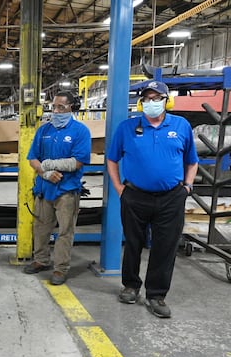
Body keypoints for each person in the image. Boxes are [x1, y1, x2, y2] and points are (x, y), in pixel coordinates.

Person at [107, 80, 198, 318]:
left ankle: (156, 295)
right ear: (141, 102)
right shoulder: (127, 128)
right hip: (134, 196)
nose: (152, 103)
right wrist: (119, 188)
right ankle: (131, 286)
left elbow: (192, 160)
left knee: (165, 247)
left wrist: (187, 187)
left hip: (171, 198)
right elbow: (112, 159)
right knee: (133, 243)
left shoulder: (181, 126)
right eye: (147, 99)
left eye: (157, 98)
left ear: (166, 101)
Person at [23, 91, 91, 285]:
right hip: (44, 189)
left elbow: (77, 162)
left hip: (66, 190)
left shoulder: (80, 131)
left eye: (61, 107)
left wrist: (49, 164)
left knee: (65, 231)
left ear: (72, 107)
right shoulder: (43, 131)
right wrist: (44, 173)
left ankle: (61, 269)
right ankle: (41, 260)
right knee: (41, 228)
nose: (56, 111)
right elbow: (32, 158)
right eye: (54, 107)